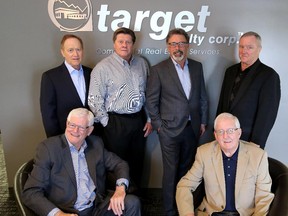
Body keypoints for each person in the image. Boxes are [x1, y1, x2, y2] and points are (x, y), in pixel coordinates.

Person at [22, 108, 141, 216]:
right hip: (68, 211)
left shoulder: (96, 144)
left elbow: (120, 164)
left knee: (132, 203)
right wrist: (58, 214)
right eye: (72, 125)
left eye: (81, 127)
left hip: (96, 207)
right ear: (66, 124)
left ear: (89, 130)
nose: (75, 130)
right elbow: (31, 193)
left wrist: (120, 189)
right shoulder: (48, 148)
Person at [146, 28, 208, 216]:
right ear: (168, 47)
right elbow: (151, 101)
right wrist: (158, 126)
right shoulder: (158, 70)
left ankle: (183, 208)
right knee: (171, 172)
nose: (177, 47)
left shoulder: (197, 67)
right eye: (173, 44)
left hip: (192, 128)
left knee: (186, 170)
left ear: (187, 46)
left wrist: (203, 121)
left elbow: (202, 97)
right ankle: (169, 210)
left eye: (181, 43)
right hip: (169, 131)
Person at [88, 27, 152, 189]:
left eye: (128, 42)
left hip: (138, 121)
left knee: (137, 163)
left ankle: (134, 202)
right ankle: (116, 204)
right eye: (121, 41)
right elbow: (94, 99)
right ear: (114, 44)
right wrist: (107, 123)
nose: (124, 45)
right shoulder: (102, 67)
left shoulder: (142, 64)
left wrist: (150, 119)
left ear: (133, 44)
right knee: (116, 165)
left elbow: (148, 93)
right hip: (115, 122)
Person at [176, 112, 274, 216]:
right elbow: (184, 185)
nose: (225, 136)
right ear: (215, 135)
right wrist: (187, 213)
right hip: (212, 213)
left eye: (230, 131)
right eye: (220, 131)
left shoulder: (258, 156)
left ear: (239, 133)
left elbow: (264, 196)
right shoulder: (204, 153)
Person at [216, 31, 281, 149]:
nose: (244, 51)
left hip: (248, 141)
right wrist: (217, 130)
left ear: (259, 49)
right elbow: (222, 104)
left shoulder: (269, 75)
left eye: (250, 47)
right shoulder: (230, 71)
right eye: (241, 46)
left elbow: (267, 114)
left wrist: (256, 142)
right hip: (224, 137)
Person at [40, 34, 93, 138]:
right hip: (65, 137)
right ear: (62, 52)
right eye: (70, 50)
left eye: (78, 49)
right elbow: (48, 113)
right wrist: (56, 141)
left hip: (91, 136)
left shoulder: (92, 73)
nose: (75, 54)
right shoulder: (50, 77)